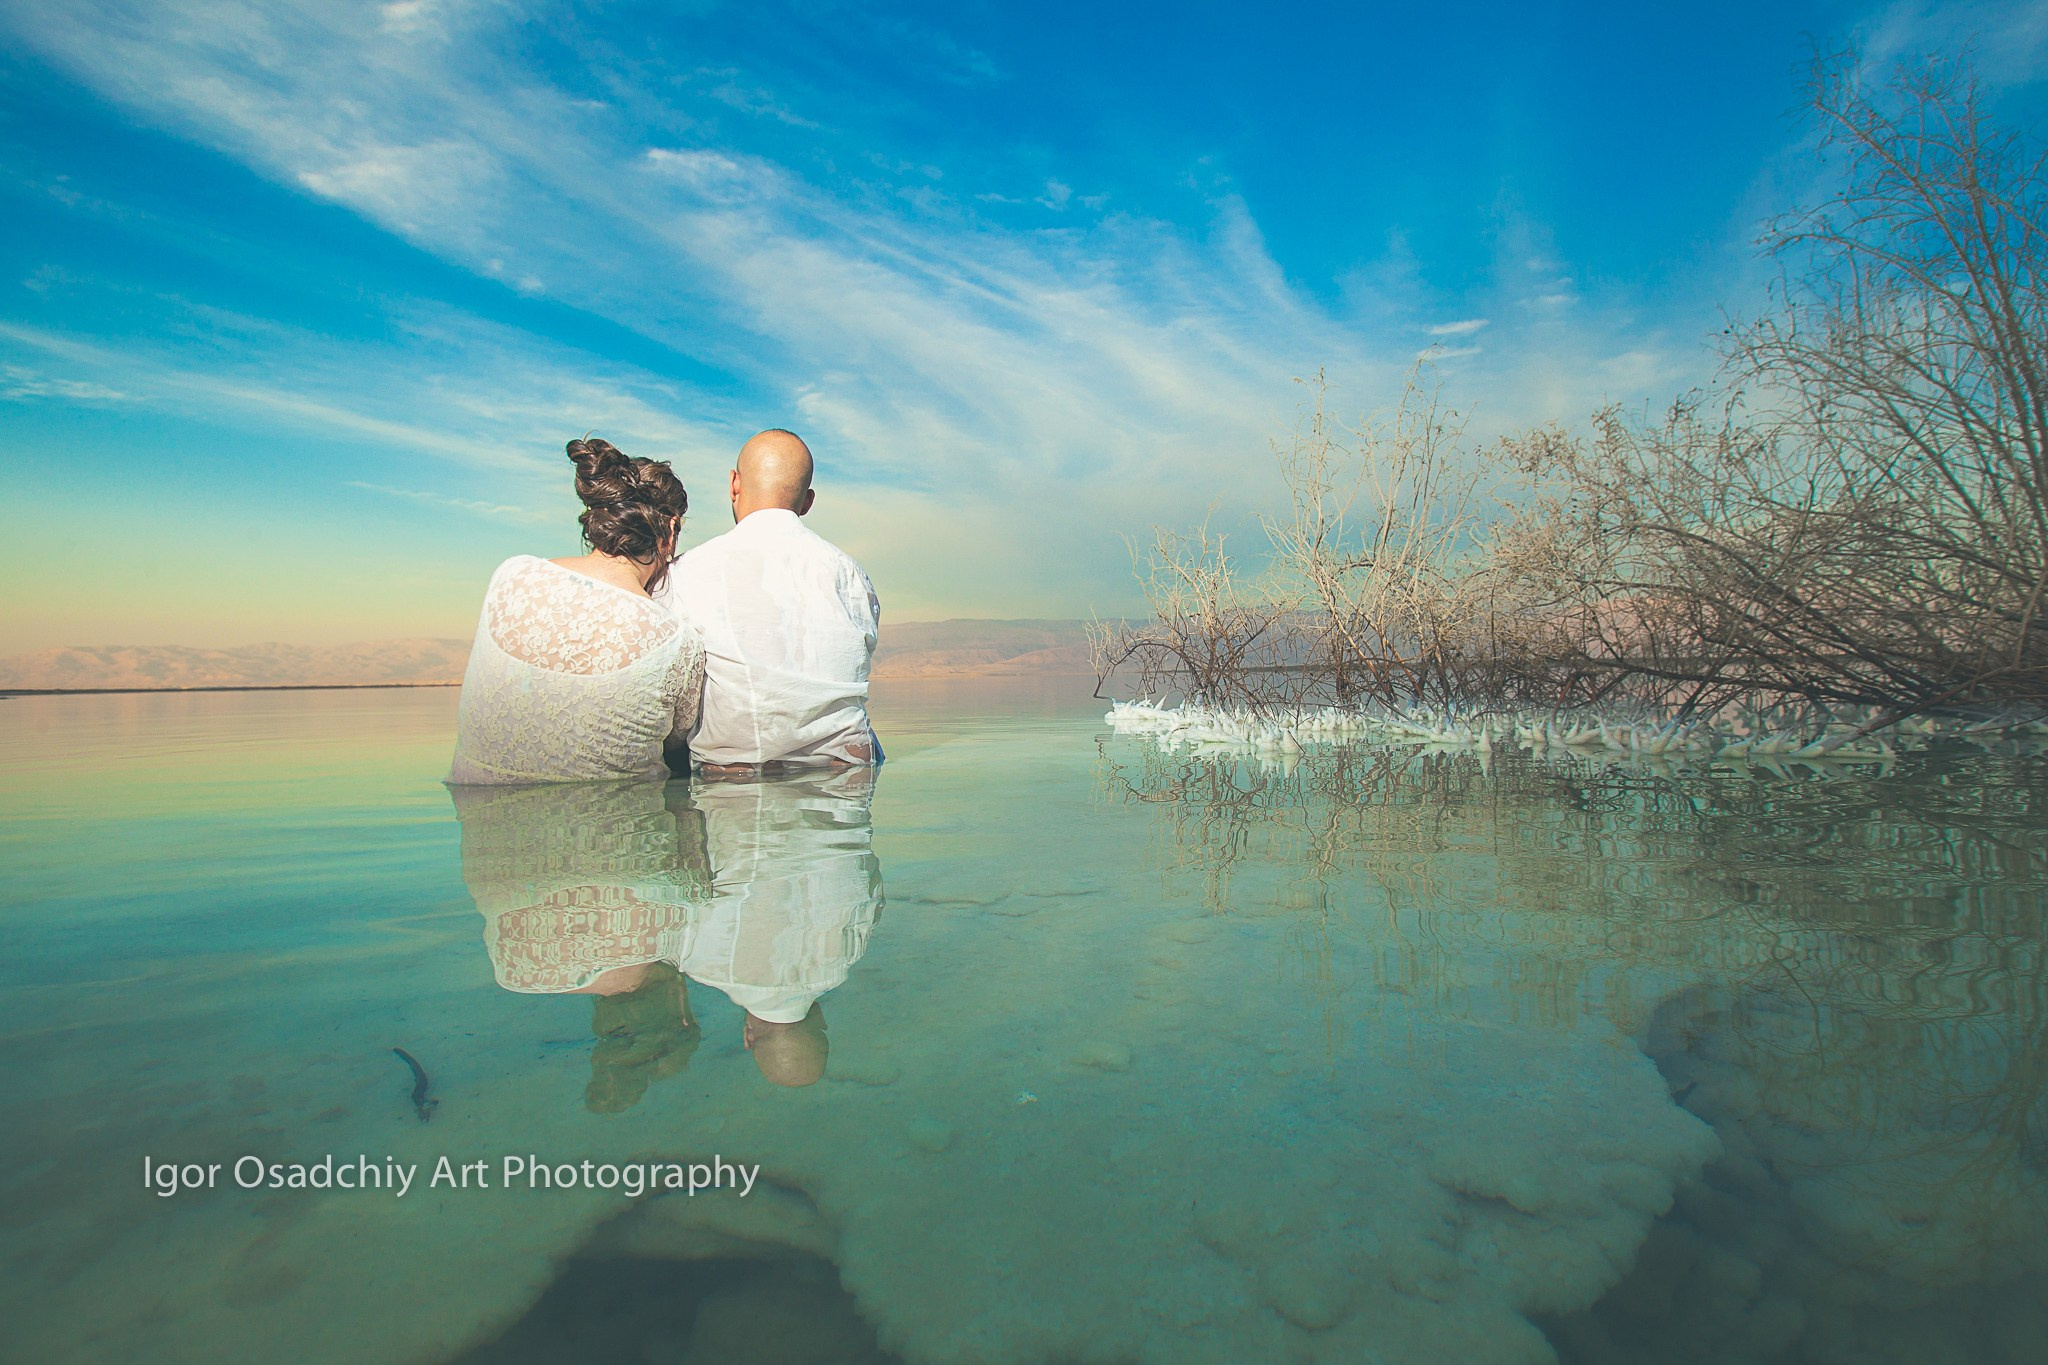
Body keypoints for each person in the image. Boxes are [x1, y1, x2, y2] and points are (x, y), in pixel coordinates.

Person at [447, 437, 705, 784]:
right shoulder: (677, 642)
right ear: (670, 530)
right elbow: (676, 740)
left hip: (483, 827)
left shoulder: (512, 575)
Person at [659, 428, 882, 772]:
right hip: (848, 776)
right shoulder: (850, 573)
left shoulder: (688, 571)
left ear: (734, 484)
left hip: (735, 785)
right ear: (807, 502)